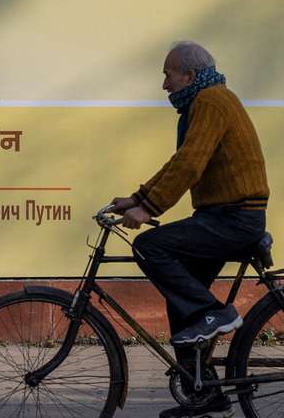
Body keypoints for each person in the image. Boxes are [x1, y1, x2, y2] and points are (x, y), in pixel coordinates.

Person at [110, 41, 268, 418]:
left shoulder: (211, 101)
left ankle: (217, 313)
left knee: (150, 246)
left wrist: (148, 209)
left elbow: (190, 165)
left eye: (168, 75)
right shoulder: (207, 101)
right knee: (181, 306)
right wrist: (136, 198)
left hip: (235, 218)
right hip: (220, 216)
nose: (165, 85)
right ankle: (203, 394)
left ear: (189, 76)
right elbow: (180, 161)